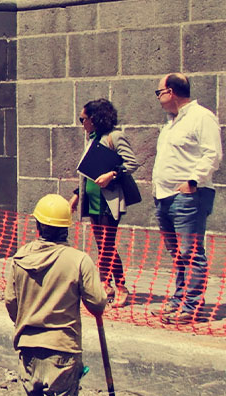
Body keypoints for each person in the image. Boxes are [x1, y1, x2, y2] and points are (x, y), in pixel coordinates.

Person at [5, 194, 108, 396]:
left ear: (37, 226)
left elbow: (11, 303)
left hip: (28, 345)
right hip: (62, 348)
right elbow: (97, 302)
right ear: (66, 228)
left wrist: (27, 321)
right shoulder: (78, 260)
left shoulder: (20, 258)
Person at [152, 73, 222, 324]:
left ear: (170, 92)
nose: (158, 97)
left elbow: (212, 154)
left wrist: (192, 181)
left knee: (190, 252)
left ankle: (192, 306)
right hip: (164, 196)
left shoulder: (201, 117)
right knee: (178, 253)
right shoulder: (170, 123)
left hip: (189, 196)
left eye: (159, 92)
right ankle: (179, 299)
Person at [69, 99, 140, 308]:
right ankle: (108, 284)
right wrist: (76, 195)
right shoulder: (92, 139)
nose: (82, 123)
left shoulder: (114, 137)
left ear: (94, 119)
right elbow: (87, 171)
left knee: (107, 245)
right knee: (103, 245)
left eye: (83, 119)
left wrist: (112, 174)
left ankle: (118, 286)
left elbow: (132, 163)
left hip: (109, 201)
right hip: (92, 200)